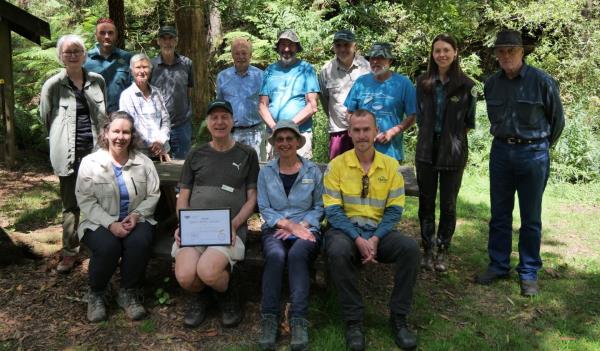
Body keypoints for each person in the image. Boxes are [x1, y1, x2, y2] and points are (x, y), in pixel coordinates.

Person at [475, 30, 564, 296]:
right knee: (499, 214)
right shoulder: (491, 84)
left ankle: (528, 272)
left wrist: (540, 148)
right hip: (501, 152)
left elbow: (557, 121)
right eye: (500, 51)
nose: (505, 56)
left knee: (530, 217)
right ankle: (498, 264)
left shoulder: (542, 82)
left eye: (510, 50)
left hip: (533, 154)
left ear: (521, 52)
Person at [323, 109, 420, 351]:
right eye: (356, 130)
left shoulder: (390, 167)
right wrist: (358, 239)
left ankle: (398, 318)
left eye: (367, 129)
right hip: (345, 232)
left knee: (410, 249)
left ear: (376, 131)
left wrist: (375, 238)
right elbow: (333, 212)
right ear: (349, 133)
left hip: (379, 232)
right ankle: (354, 321)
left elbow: (395, 211)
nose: (362, 135)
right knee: (336, 249)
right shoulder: (336, 166)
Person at [172, 100, 259, 328]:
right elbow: (183, 196)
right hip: (195, 230)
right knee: (184, 276)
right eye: (214, 117)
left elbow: (252, 198)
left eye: (224, 117)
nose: (219, 122)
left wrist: (235, 223)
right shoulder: (196, 154)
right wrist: (183, 224)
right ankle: (202, 296)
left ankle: (227, 292)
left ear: (232, 121)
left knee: (208, 271)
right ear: (207, 123)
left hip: (228, 230)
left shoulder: (247, 154)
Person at [75, 111, 160, 322]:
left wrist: (137, 215)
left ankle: (128, 293)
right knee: (108, 246)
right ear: (106, 133)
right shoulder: (90, 162)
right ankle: (97, 294)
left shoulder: (143, 162)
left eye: (126, 132)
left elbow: (154, 194)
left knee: (140, 241)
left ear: (132, 136)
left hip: (137, 219)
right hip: (98, 221)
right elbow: (85, 200)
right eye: (116, 131)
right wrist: (110, 224)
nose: (120, 137)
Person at [40, 34, 107, 273]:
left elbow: (103, 115)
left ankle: (97, 245)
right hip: (67, 152)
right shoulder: (52, 86)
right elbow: (46, 118)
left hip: (95, 152)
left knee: (97, 198)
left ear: (84, 54)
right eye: (67, 51)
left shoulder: (97, 81)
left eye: (77, 50)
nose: (72, 55)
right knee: (70, 204)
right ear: (61, 56)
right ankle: (69, 251)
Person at [257, 120, 324, 351]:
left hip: (307, 229)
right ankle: (269, 318)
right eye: (280, 139)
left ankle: (299, 319)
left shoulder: (312, 171)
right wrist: (288, 226)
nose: (284, 143)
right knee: (275, 256)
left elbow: (320, 207)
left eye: (289, 138)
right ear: (274, 144)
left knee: (297, 255)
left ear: (297, 142)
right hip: (275, 229)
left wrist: (301, 226)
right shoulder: (266, 172)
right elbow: (264, 208)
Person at [415, 34, 477, 272]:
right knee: (426, 200)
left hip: (453, 149)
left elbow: (469, 121)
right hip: (426, 149)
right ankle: (427, 247)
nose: (441, 54)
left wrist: (451, 138)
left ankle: (443, 249)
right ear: (432, 54)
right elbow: (420, 118)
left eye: (446, 50)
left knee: (449, 203)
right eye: (437, 50)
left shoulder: (467, 86)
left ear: (455, 52)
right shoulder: (422, 83)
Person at [344, 43, 417, 162]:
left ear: (390, 61)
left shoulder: (403, 83)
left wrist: (392, 132)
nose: (375, 61)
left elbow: (413, 116)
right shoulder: (361, 82)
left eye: (380, 58)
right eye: (372, 58)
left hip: (391, 153)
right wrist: (359, 132)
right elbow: (349, 113)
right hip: (362, 152)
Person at [259, 29, 320, 159]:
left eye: (291, 45)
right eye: (283, 45)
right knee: (274, 175)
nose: (286, 49)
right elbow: (262, 105)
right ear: (278, 47)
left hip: (299, 135)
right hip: (274, 135)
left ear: (297, 48)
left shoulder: (306, 69)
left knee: (301, 175)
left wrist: (288, 127)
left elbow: (312, 105)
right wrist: (275, 128)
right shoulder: (270, 70)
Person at [319, 29, 370, 160]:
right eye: (338, 45)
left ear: (354, 46)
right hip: (339, 131)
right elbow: (325, 100)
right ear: (334, 47)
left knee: (365, 172)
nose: (342, 49)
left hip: (364, 130)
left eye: (346, 45)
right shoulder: (326, 70)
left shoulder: (367, 68)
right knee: (338, 174)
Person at [216, 37, 265, 161]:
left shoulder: (261, 76)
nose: (240, 57)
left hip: (255, 133)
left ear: (250, 55)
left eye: (244, 53)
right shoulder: (223, 77)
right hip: (230, 133)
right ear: (232, 55)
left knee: (256, 169)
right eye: (237, 53)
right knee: (230, 169)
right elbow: (219, 107)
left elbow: (266, 104)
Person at [150, 25, 194, 160]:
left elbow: (190, 90)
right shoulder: (151, 65)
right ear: (158, 41)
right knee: (160, 167)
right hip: (157, 126)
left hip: (182, 125)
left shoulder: (186, 63)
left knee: (183, 166)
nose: (167, 42)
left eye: (171, 38)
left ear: (176, 41)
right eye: (163, 38)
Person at [119, 53, 171, 161]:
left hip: (162, 151)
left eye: (145, 67)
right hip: (138, 153)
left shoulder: (157, 93)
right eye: (138, 67)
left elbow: (166, 120)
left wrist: (160, 141)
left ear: (150, 70)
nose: (142, 71)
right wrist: (152, 144)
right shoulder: (127, 95)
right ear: (132, 70)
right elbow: (129, 125)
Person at [83, 18, 132, 113]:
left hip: (121, 116)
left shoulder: (127, 58)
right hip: (93, 117)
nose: (106, 36)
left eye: (110, 33)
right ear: (96, 36)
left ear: (116, 35)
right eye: (102, 33)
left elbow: (133, 87)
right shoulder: (85, 59)